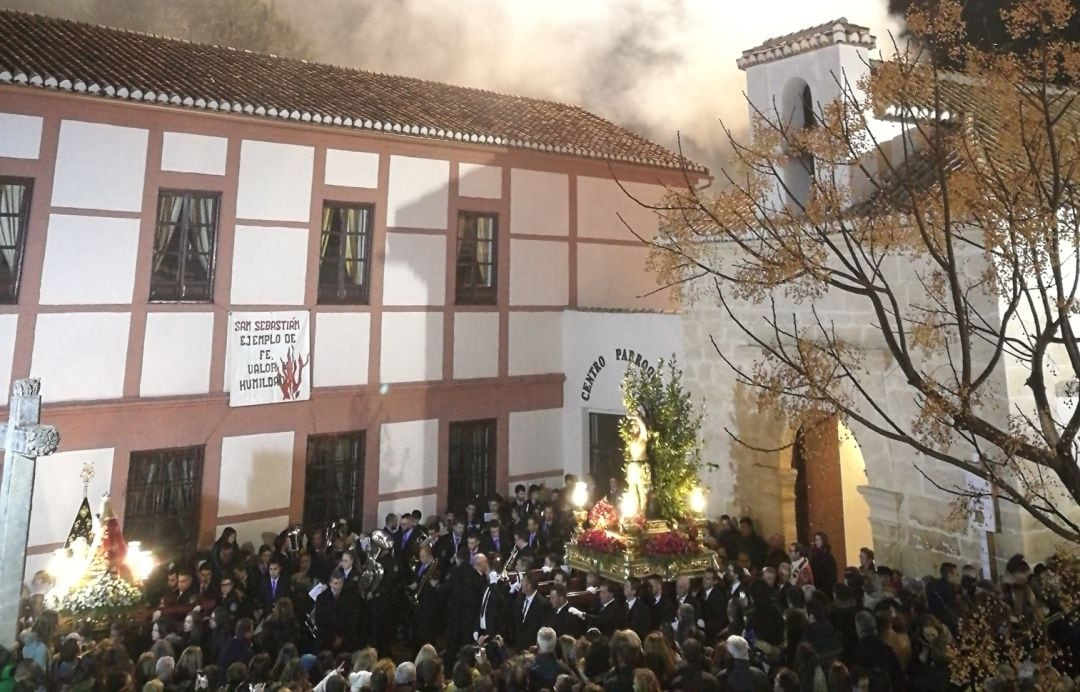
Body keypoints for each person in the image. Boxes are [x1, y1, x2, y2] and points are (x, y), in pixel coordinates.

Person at [512, 573, 551, 651]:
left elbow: (541, 627)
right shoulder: (520, 598)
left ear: (529, 586)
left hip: (532, 648)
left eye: (523, 581)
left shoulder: (542, 604)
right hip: (519, 645)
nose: (521, 583)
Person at [810, 532, 838, 597]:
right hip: (817, 586)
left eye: (818, 540)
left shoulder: (829, 557)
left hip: (826, 588)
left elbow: (832, 575)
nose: (816, 542)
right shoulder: (814, 556)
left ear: (823, 541)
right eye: (815, 540)